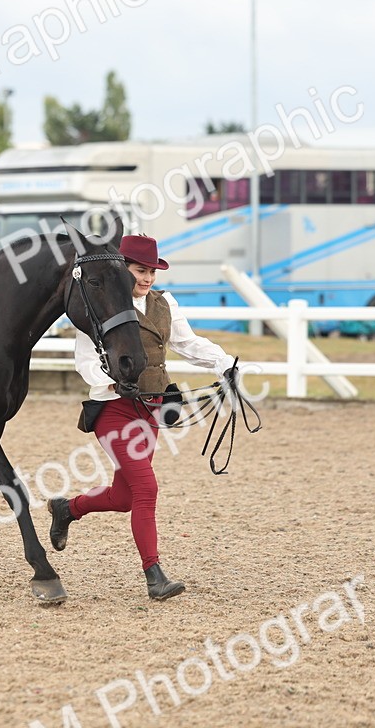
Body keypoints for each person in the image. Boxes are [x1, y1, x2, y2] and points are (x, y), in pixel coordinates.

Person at [48, 234, 237, 601]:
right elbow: (86, 361)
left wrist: (225, 363)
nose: (147, 277)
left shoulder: (163, 304)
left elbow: (189, 343)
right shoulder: (100, 304)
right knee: (147, 489)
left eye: (152, 271)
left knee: (124, 497)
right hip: (114, 411)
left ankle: (67, 509)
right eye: (140, 270)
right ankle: (154, 575)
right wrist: (113, 382)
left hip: (150, 409)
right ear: (123, 268)